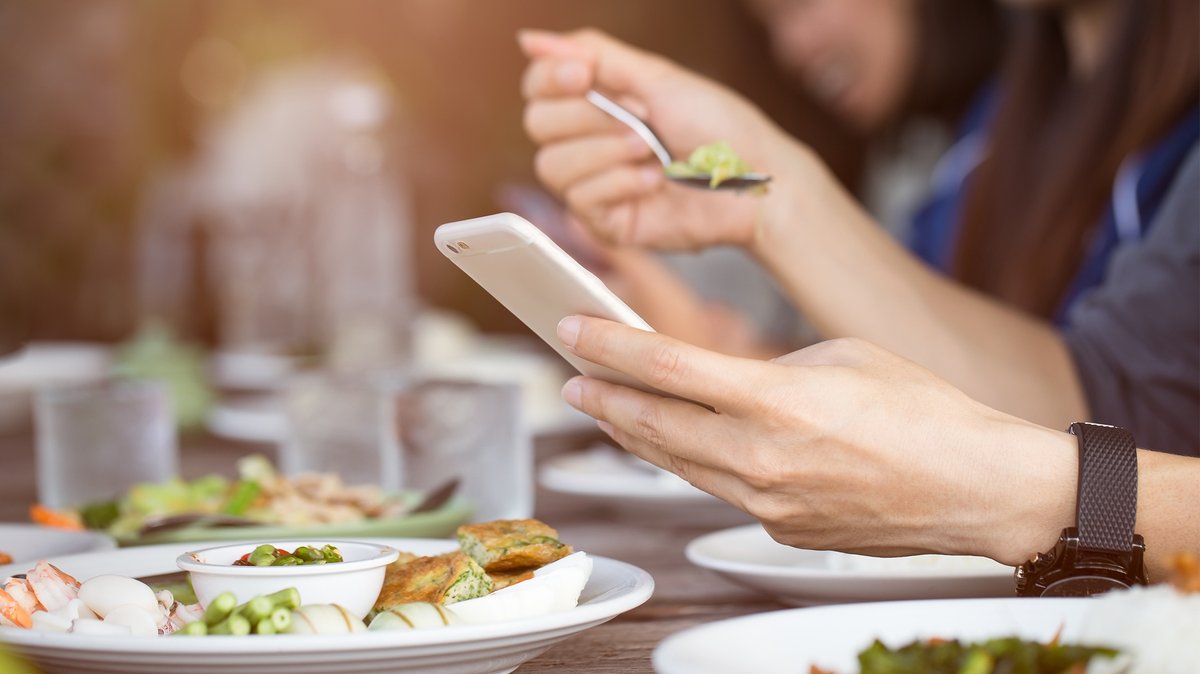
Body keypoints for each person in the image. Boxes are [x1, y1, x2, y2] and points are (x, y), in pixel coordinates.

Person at [516, 0, 1198, 452]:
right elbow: (1002, 397)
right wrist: (716, 354)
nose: (794, 47)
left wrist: (771, 207)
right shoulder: (993, 137)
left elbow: (1115, 420)